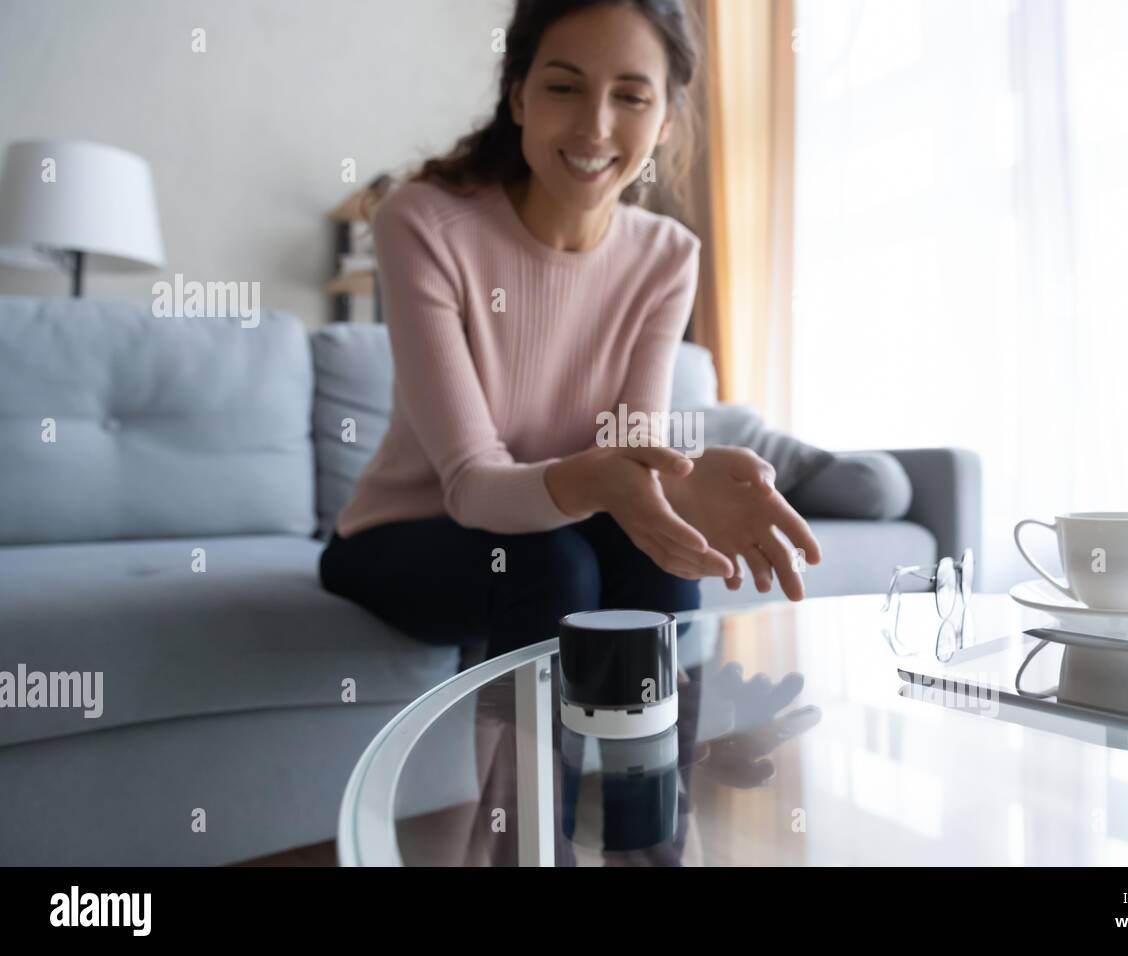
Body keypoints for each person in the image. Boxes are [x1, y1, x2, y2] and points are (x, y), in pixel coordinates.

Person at [319, 0, 821, 660]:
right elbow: (471, 483)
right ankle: (528, 738)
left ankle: (662, 731)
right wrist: (606, 482)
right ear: (518, 96)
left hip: (562, 525)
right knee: (551, 566)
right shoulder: (422, 222)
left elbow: (632, 455)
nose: (595, 127)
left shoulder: (667, 255)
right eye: (564, 87)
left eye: (631, 97)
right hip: (406, 531)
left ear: (666, 120)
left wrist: (682, 482)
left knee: (661, 560)